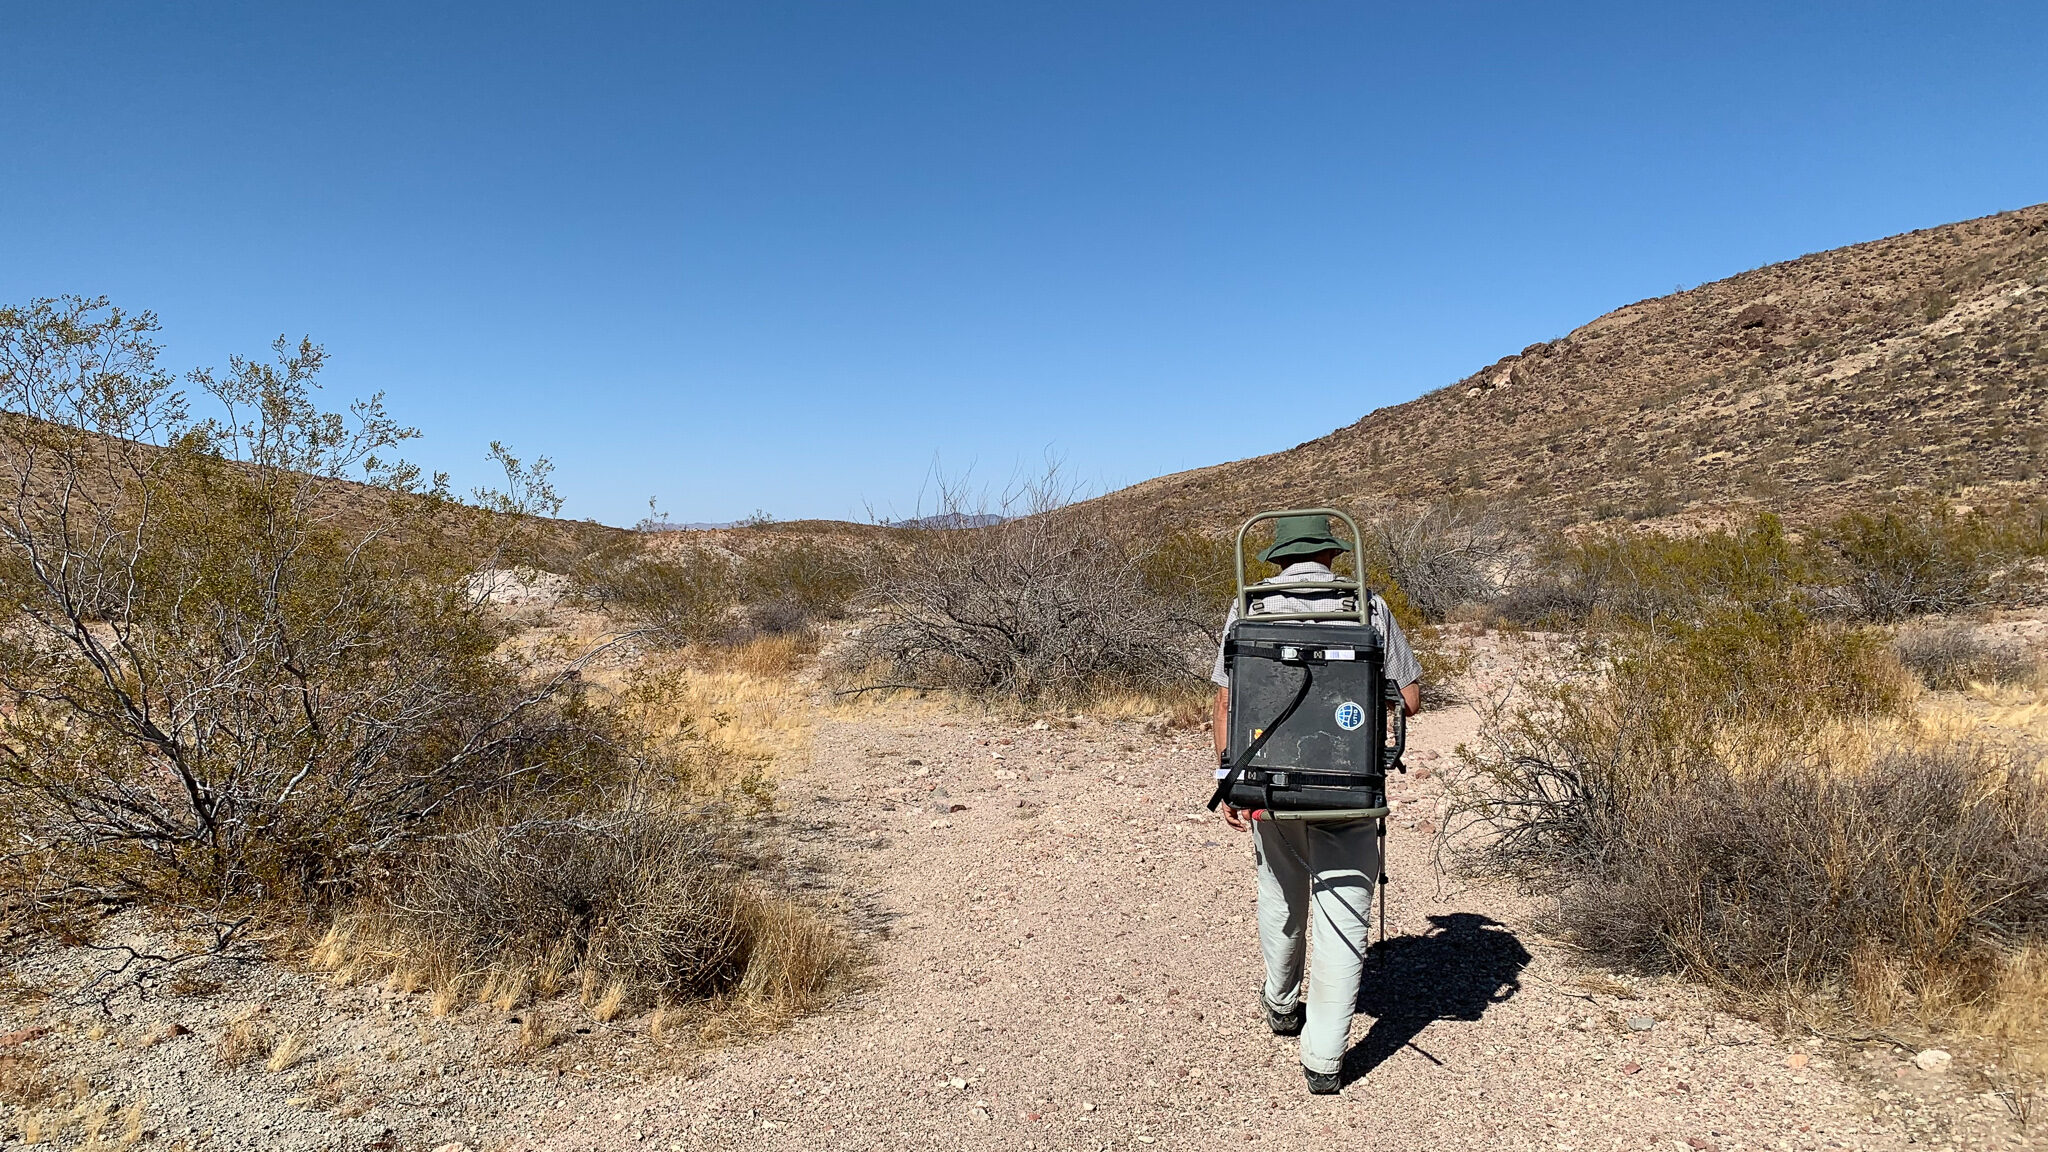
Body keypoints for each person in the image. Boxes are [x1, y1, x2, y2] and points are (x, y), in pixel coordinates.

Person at [1209, 514, 1422, 1095]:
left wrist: (1229, 776)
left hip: (1270, 782)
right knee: (1343, 916)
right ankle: (1325, 1059)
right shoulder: (1367, 606)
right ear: (1332, 555)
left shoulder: (1247, 609)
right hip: (1348, 783)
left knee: (1281, 893)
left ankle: (1281, 1003)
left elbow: (1227, 700)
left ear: (1277, 559)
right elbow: (1411, 699)